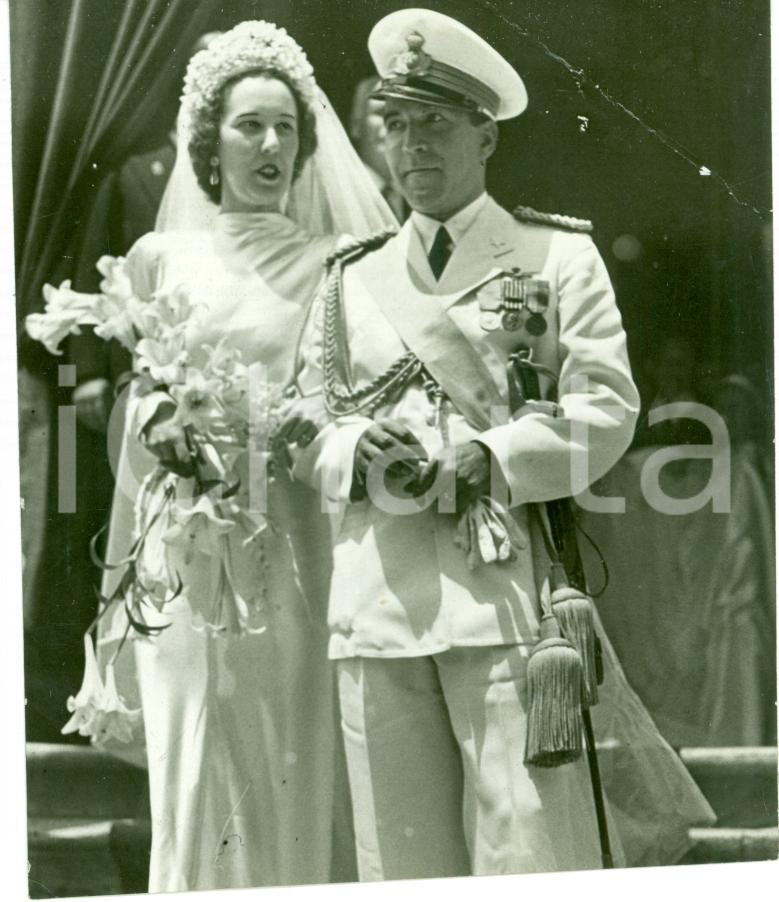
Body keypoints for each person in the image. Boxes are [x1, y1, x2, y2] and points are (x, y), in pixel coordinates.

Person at [292, 8, 714, 880]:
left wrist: (496, 455)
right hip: (377, 603)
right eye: (397, 125)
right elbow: (303, 419)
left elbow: (605, 407)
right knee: (397, 861)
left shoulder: (553, 257)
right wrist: (347, 450)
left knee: (524, 850)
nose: (413, 147)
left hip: (505, 598)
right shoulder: (347, 277)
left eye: (436, 125)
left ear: (484, 136)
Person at [76, 21, 395, 892]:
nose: (269, 144)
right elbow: (136, 401)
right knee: (193, 756)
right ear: (207, 144)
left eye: (285, 127)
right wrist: (156, 426)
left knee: (286, 747)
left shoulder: (338, 264)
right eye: (248, 125)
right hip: (184, 546)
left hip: (293, 542)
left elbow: (351, 401)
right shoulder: (156, 259)